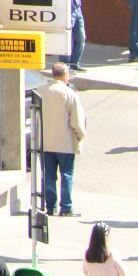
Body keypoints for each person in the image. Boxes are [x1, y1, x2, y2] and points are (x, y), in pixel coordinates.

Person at [38, 63, 87, 216]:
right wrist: (80, 136)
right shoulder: (69, 93)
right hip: (65, 143)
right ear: (65, 75)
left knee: (49, 176)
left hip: (45, 143)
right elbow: (77, 121)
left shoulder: (40, 91)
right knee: (66, 175)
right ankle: (66, 207)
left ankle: (50, 207)